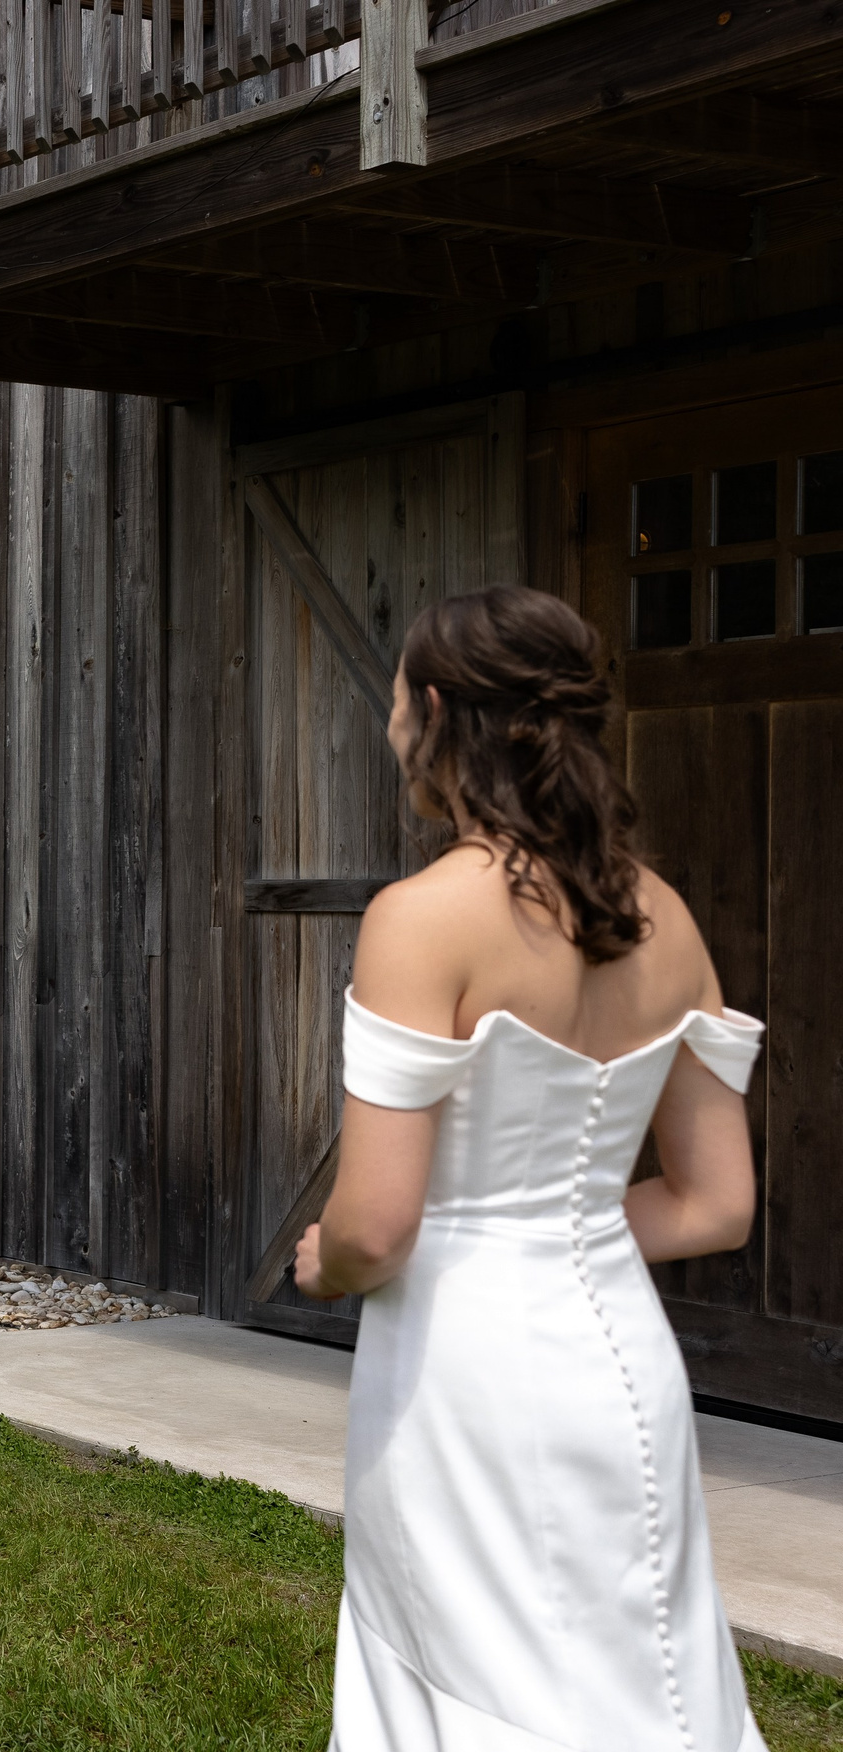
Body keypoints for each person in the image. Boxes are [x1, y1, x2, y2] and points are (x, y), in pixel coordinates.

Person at [293, 588, 766, 1750]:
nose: (392, 721)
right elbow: (717, 1203)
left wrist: (323, 1265)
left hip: (467, 1370)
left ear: (436, 711)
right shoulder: (662, 916)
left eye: (398, 698)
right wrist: (567, 1234)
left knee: (477, 1671)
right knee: (644, 1671)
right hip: (620, 1357)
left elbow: (378, 1224)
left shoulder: (423, 916)